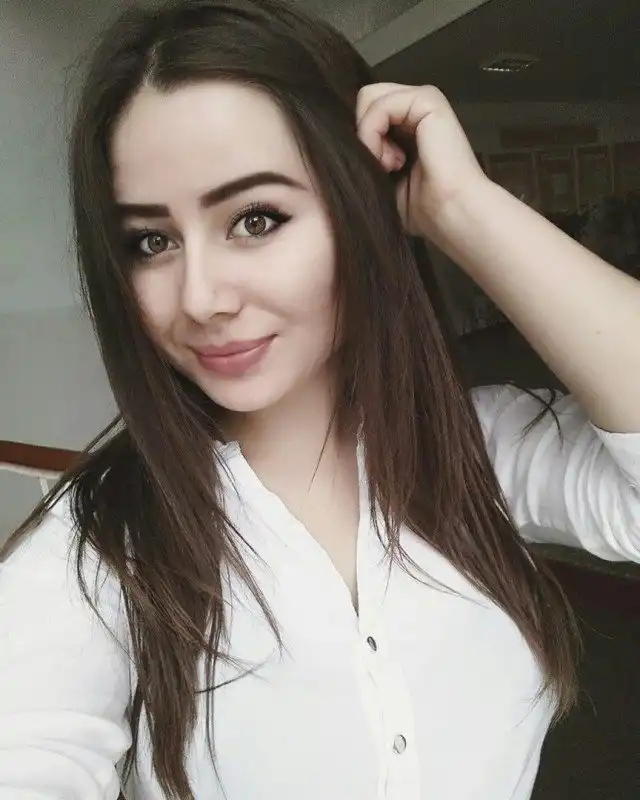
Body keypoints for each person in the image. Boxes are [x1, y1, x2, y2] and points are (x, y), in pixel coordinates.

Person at [0, 1, 638, 798]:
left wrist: (465, 210)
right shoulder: (100, 545)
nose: (200, 298)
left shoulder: (480, 452)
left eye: (255, 219)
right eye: (150, 242)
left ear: (356, 210)